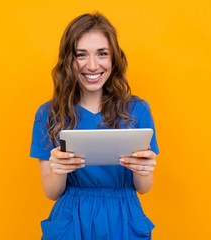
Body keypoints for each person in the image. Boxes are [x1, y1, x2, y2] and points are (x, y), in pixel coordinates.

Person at [30, 12, 159, 240]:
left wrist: (145, 169)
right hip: (71, 220)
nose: (92, 65)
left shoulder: (137, 111)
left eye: (102, 54)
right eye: (81, 55)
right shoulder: (48, 114)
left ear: (113, 59)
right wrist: (58, 170)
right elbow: (51, 192)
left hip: (124, 218)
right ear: (68, 60)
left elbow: (144, 187)